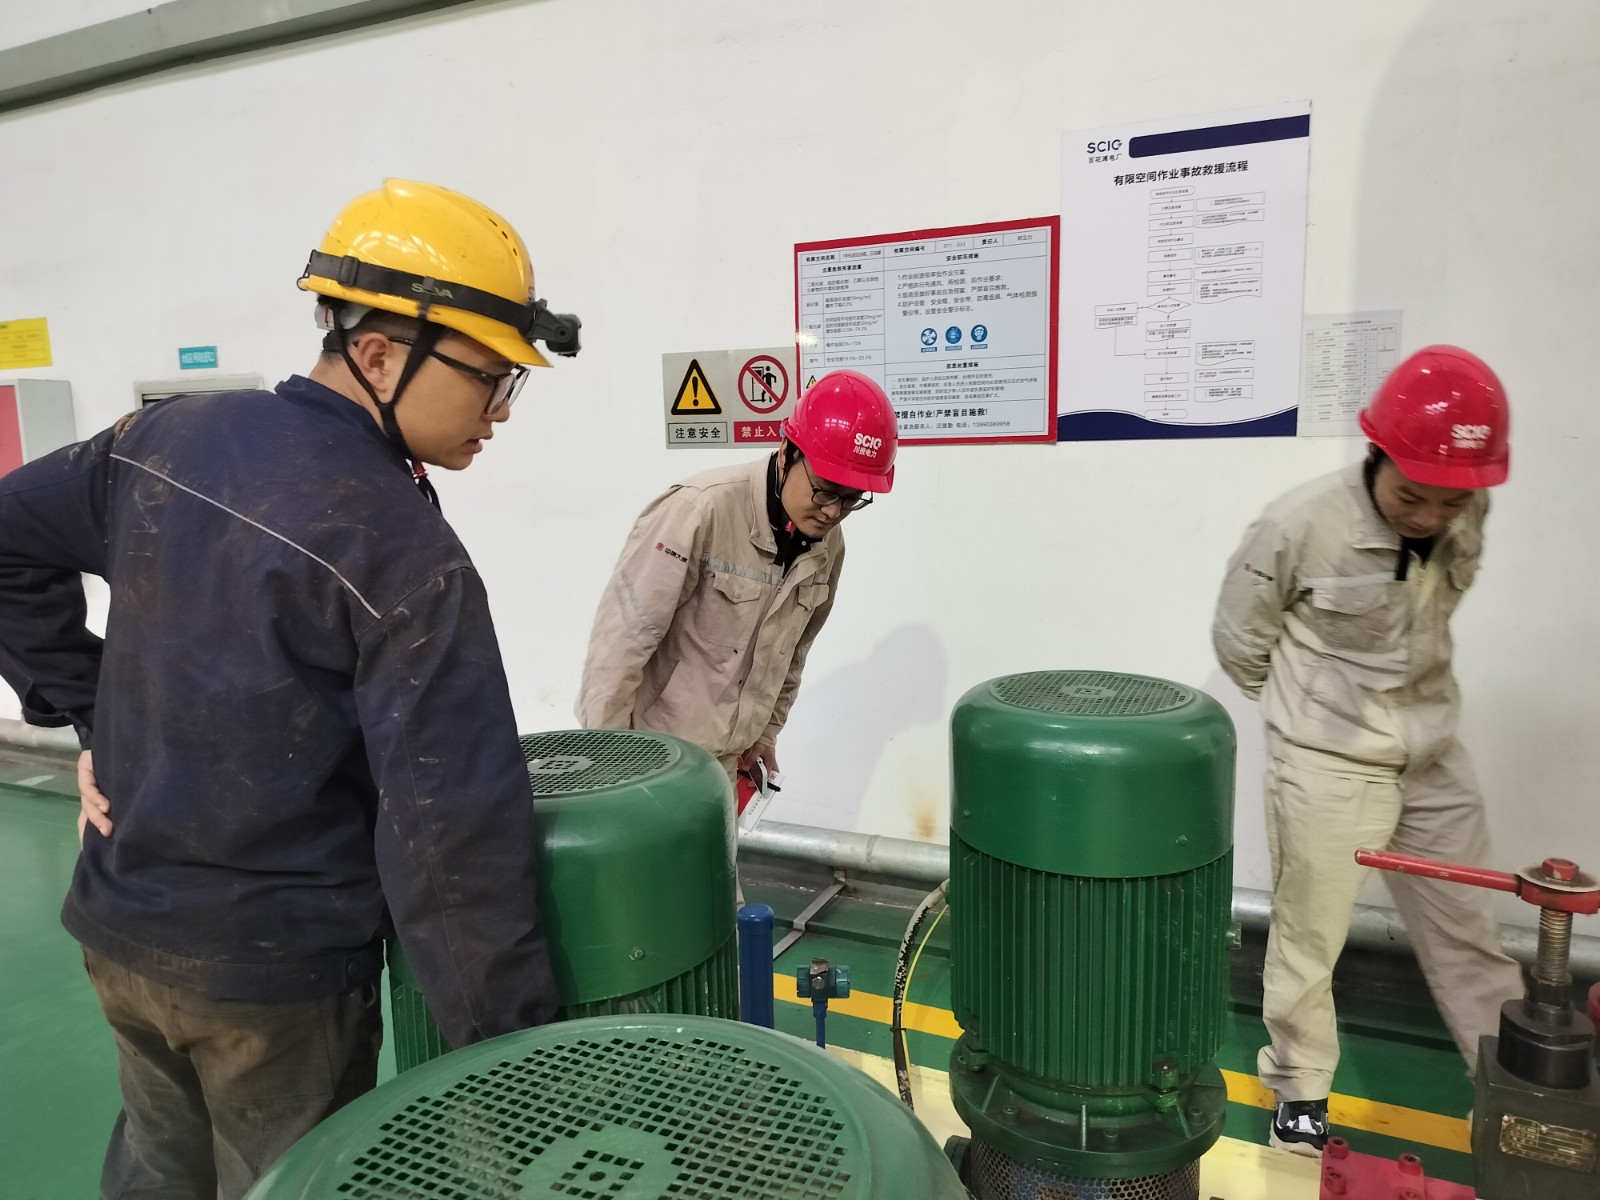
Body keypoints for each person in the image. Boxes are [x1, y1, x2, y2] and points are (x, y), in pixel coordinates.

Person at [0, 179, 577, 1199]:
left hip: (121, 932)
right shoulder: (407, 556)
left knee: (158, 1169)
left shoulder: (163, 439)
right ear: (380, 353)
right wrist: (513, 1062)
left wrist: (88, 714)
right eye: (488, 377)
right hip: (276, 987)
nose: (498, 411)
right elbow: (453, 842)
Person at [1212, 345, 1524, 1155]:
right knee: (1309, 938)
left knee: (1470, 934)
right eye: (1411, 495)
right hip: (1328, 760)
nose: (1429, 517)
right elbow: (1240, 639)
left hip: (1432, 754)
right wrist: (1308, 721)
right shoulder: (1298, 524)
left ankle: (1515, 1103)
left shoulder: (1465, 510)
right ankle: (1300, 1093)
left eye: (1451, 502)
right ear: (1376, 455)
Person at [576, 370, 896, 800]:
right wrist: (608, 762)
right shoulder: (699, 510)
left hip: (725, 767)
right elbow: (623, 640)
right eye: (825, 491)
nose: (832, 512)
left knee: (720, 850)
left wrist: (766, 733)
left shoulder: (828, 546)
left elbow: (795, 651)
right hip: (654, 761)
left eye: (852, 499)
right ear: (787, 453)